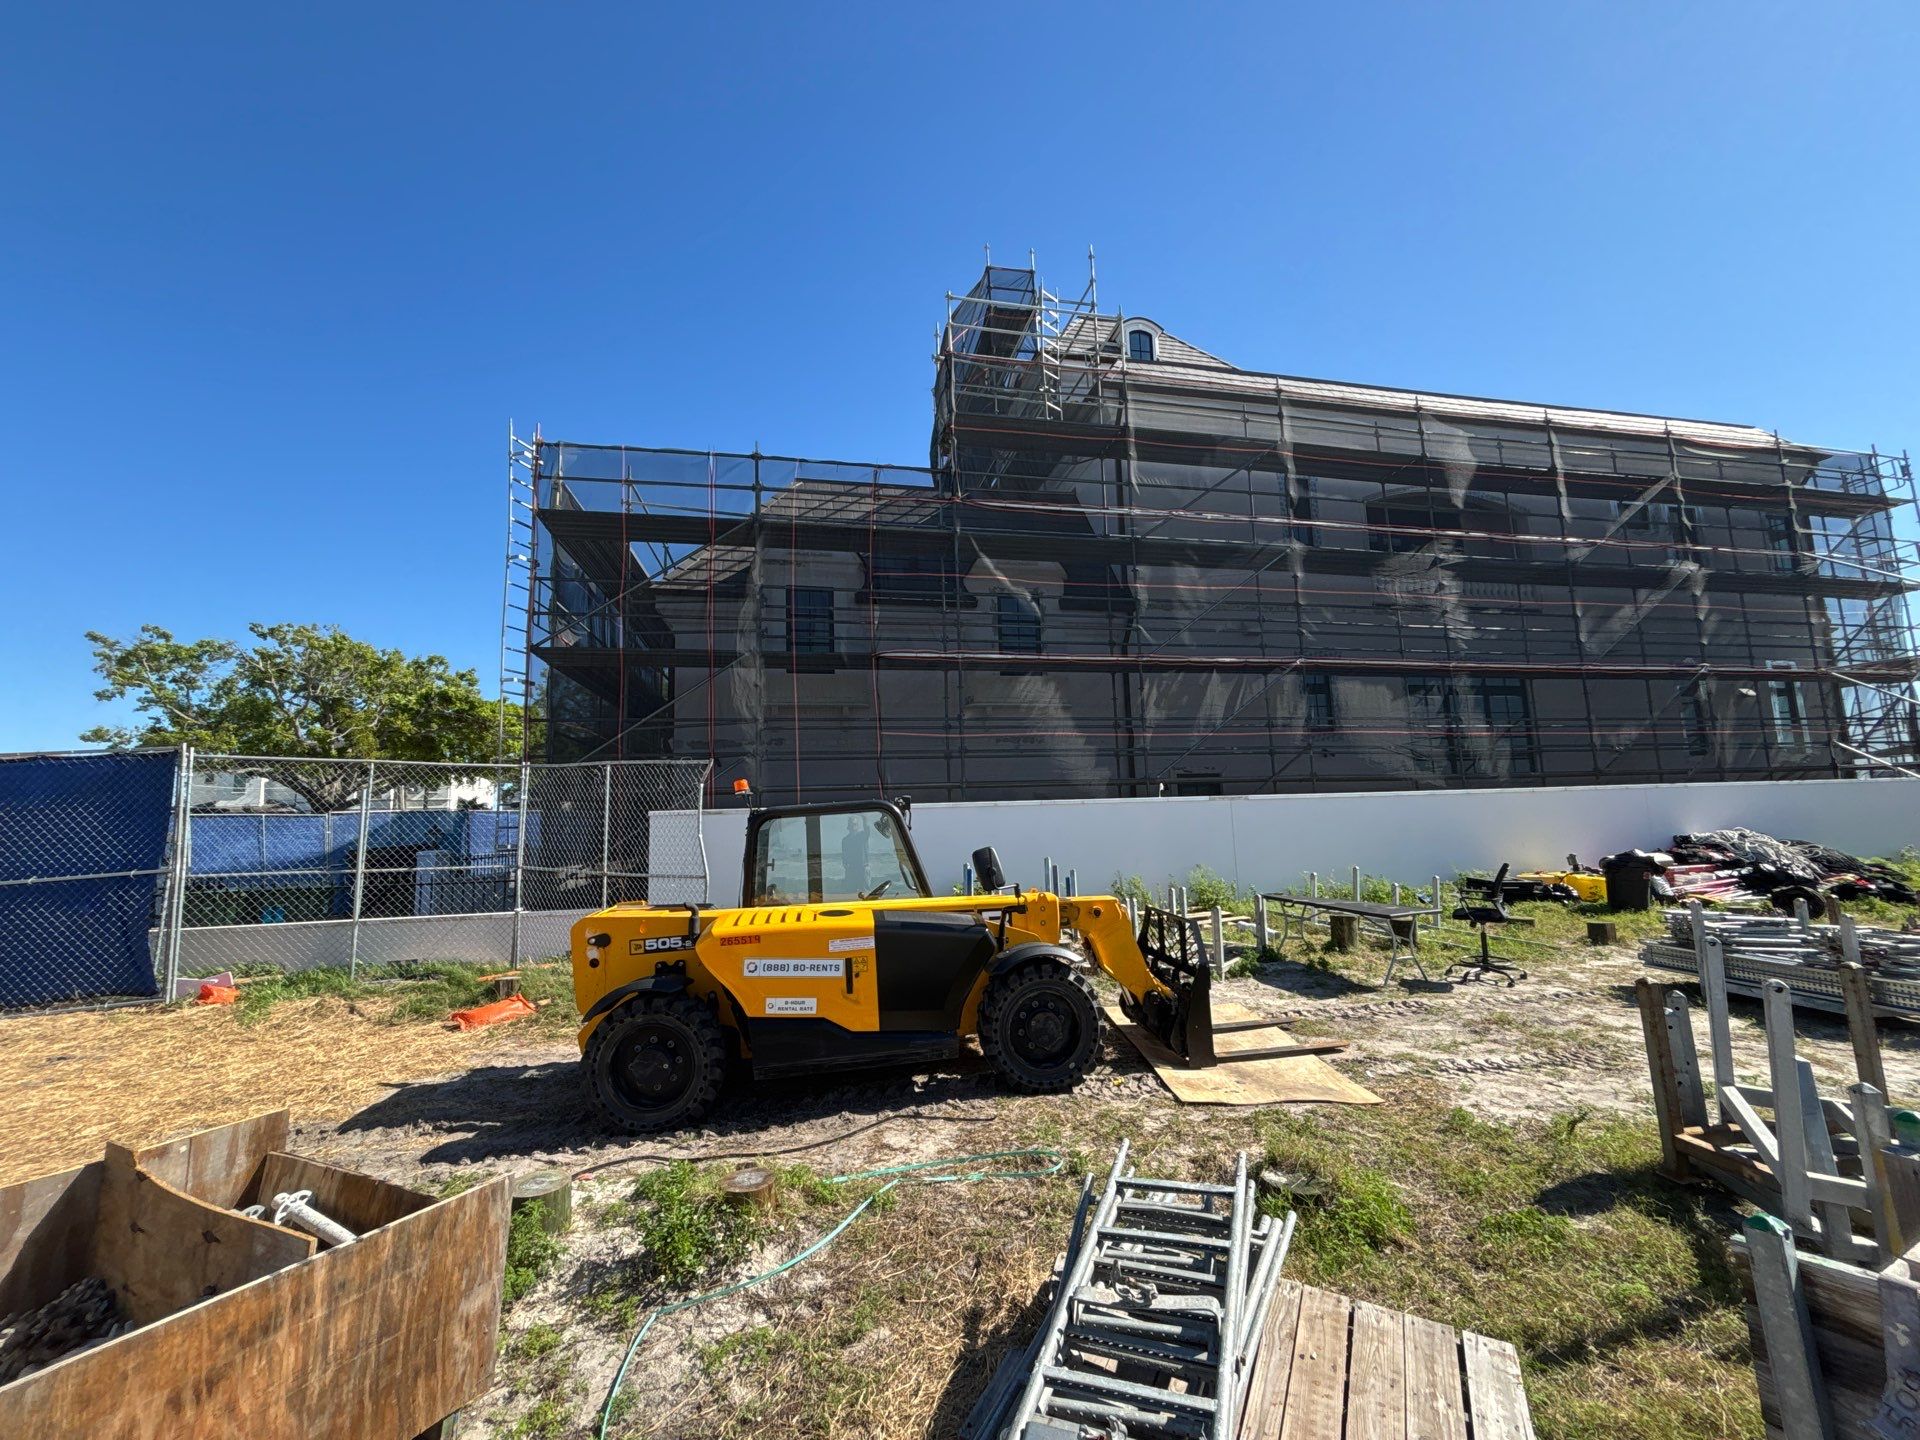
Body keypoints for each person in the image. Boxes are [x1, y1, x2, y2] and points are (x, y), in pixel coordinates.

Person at [841, 814, 871, 896]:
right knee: (850, 892)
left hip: (863, 867)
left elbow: (867, 830)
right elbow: (844, 854)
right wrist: (845, 863)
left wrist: (864, 819)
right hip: (851, 869)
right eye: (851, 824)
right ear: (848, 826)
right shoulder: (845, 840)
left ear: (857, 826)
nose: (853, 826)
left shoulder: (862, 836)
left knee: (865, 893)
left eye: (855, 824)